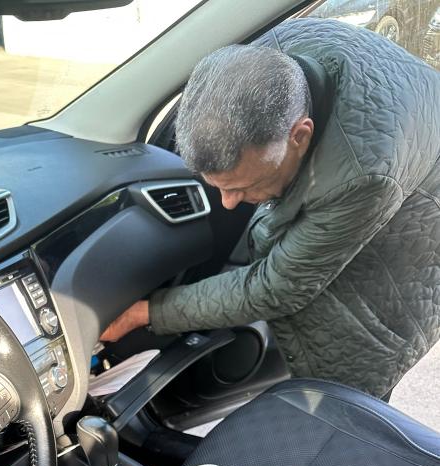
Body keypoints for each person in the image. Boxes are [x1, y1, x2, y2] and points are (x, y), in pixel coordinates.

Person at [102, 18, 440, 400]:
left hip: (415, 239)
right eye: (220, 187)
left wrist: (145, 312)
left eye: (242, 186)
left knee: (344, 389)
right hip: (402, 146)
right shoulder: (267, 56)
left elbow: (277, 287)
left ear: (300, 135)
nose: (228, 202)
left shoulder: (362, 176)